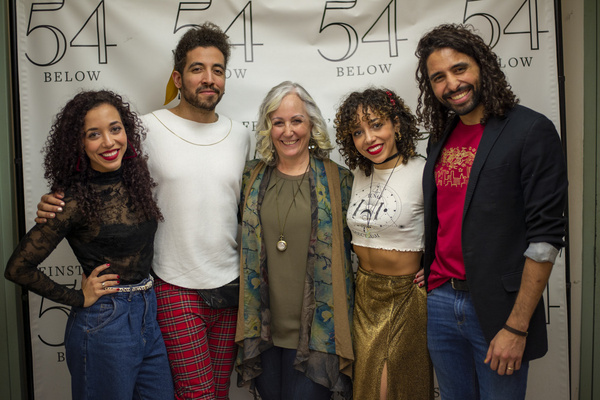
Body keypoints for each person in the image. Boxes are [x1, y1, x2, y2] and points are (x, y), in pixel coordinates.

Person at [35, 23, 251, 400]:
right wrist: (54, 201)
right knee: (196, 395)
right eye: (198, 68)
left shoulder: (241, 135)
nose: (209, 78)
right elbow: (99, 172)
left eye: (217, 70)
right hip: (173, 283)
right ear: (178, 77)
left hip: (229, 286)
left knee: (218, 392)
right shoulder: (148, 129)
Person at [414, 23, 568, 399]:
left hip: (500, 311)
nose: (451, 84)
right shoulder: (441, 136)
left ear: (482, 66)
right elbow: (446, 216)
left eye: (459, 68)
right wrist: (430, 268)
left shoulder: (531, 130)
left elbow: (546, 239)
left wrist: (517, 327)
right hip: (441, 301)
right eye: (439, 77)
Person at [5, 90, 173, 400]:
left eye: (115, 129)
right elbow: (18, 268)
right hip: (105, 322)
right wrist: (76, 297)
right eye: (93, 134)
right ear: (79, 144)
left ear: (127, 131)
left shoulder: (137, 179)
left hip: (149, 314)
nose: (109, 142)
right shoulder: (70, 201)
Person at [235, 81, 354, 400]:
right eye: (278, 122)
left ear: (312, 123)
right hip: (264, 335)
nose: (288, 131)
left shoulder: (339, 180)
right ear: (267, 127)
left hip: (319, 338)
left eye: (297, 120)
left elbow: (370, 240)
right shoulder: (251, 177)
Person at [334, 88, 433, 400]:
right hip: (364, 293)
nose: (368, 138)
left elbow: (451, 227)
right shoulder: (357, 173)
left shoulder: (422, 171)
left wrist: (434, 268)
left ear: (397, 124)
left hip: (407, 295)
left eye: (376, 125)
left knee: (400, 388)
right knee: (366, 387)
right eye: (358, 132)